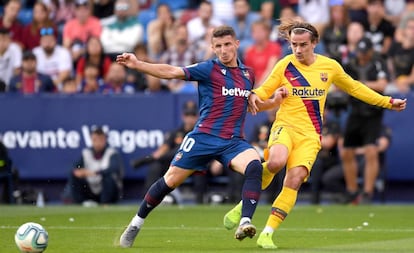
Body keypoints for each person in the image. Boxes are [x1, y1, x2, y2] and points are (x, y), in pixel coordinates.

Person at [223, 19, 407, 249]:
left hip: (311, 135)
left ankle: (267, 233)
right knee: (276, 162)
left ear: (314, 43)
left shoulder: (329, 67)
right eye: (293, 45)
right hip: (286, 126)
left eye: (302, 45)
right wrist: (253, 95)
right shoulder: (284, 65)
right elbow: (264, 89)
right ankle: (245, 203)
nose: (298, 50)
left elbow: (355, 88)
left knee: (295, 179)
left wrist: (387, 102)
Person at [116, 25, 269, 247]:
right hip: (203, 137)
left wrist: (266, 97)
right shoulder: (208, 69)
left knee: (255, 165)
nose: (223, 50)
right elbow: (171, 72)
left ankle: (245, 222)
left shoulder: (248, 75)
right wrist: (138, 64)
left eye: (227, 44)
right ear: (212, 48)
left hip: (232, 142)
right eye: (218, 46)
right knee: (169, 181)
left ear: (237, 44)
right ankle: (135, 224)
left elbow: (255, 102)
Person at [341, 37, 389, 204]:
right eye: (360, 53)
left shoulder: (378, 62)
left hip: (373, 113)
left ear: (370, 51)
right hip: (355, 111)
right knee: (347, 151)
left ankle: (368, 193)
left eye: (365, 53)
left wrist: (360, 85)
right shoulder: (350, 64)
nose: (362, 56)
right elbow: (342, 84)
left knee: (370, 150)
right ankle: (352, 191)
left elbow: (382, 85)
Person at [66, 126, 124, 205]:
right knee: (74, 174)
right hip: (91, 188)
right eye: (95, 140)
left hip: (108, 191)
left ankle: (105, 203)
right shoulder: (86, 153)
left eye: (101, 140)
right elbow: (76, 168)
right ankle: (80, 203)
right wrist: (80, 171)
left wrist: (96, 173)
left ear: (105, 140)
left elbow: (114, 168)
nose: (98, 143)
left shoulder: (112, 153)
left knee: (109, 177)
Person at [33, 27, 72, 91]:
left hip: (59, 88)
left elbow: (64, 74)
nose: (48, 44)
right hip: (39, 88)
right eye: (45, 41)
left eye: (50, 41)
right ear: (40, 42)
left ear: (55, 41)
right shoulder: (35, 52)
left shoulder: (63, 52)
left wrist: (49, 85)